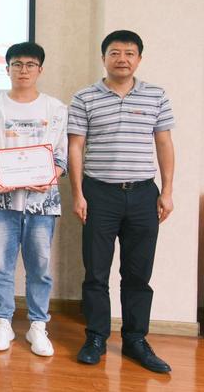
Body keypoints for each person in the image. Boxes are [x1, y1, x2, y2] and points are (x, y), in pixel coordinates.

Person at [69, 30, 174, 373]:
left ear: (139, 59)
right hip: (99, 193)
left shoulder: (156, 95)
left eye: (130, 53)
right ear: (104, 58)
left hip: (144, 194)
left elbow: (164, 144)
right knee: (96, 272)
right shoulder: (84, 97)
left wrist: (167, 191)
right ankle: (96, 337)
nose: (122, 59)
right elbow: (75, 147)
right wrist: (78, 193)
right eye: (115, 52)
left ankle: (135, 340)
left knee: (138, 274)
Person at [0, 42, 67, 357]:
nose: (23, 70)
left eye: (30, 64)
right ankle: (3, 321)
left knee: (39, 266)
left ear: (40, 69)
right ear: (7, 69)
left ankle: (38, 325)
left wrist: (49, 176)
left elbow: (62, 156)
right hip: (2, 201)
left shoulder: (55, 109)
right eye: (17, 64)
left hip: (42, 202)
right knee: (0, 263)